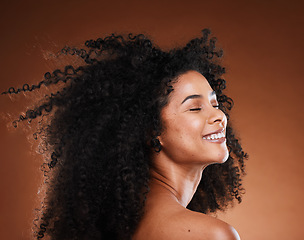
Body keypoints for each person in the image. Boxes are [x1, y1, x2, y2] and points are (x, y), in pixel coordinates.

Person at [2, 29, 247, 240]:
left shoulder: (118, 226)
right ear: (152, 129)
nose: (219, 116)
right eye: (195, 108)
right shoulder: (211, 235)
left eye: (215, 104)